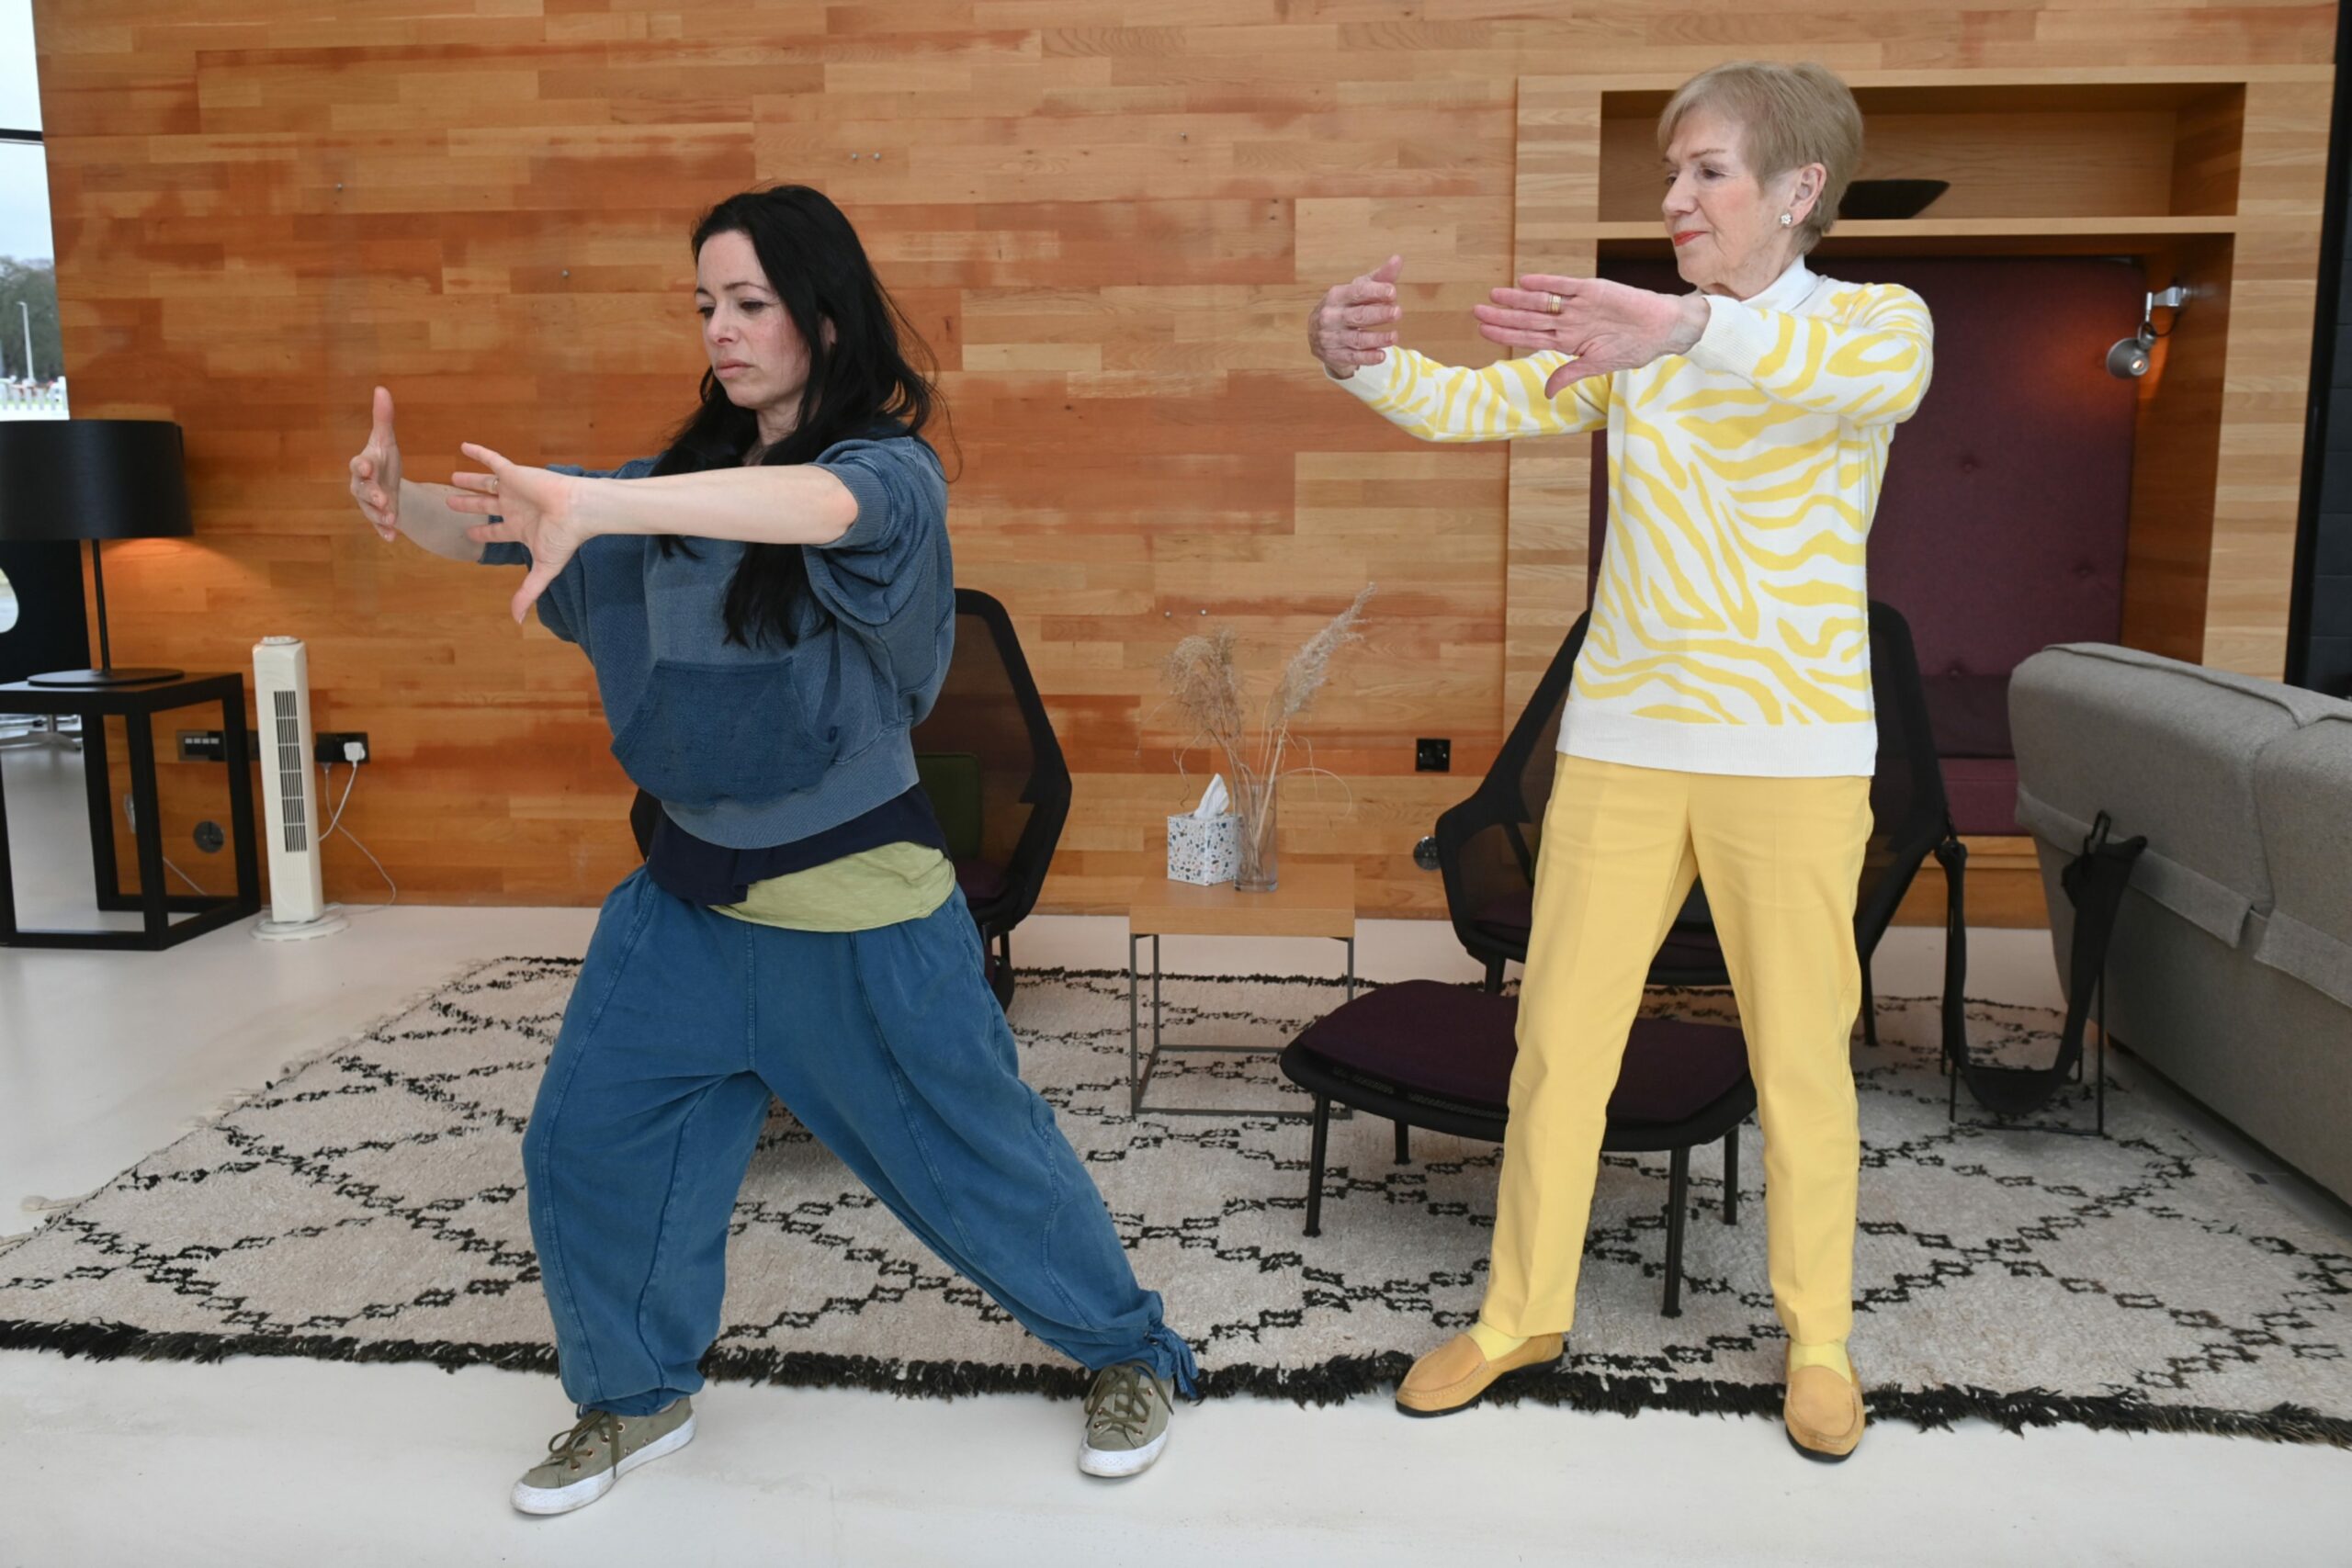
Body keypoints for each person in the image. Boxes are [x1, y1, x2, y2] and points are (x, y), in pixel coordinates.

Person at [348, 184, 1196, 1513]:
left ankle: (1129, 1351)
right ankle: (634, 1397)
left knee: (978, 1161)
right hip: (683, 903)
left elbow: (819, 511)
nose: (723, 330)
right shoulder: (662, 493)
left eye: (750, 303)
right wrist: (409, 505)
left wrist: (598, 501)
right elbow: (523, 531)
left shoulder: (887, 479)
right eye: (705, 306)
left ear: (823, 313)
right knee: (589, 1141)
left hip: (860, 914)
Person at [1306, 60, 1933, 1461]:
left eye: (1708, 171)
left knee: (1803, 1061)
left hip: (1794, 755)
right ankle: (1523, 1310)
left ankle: (1819, 1340)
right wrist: (1354, 359)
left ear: (1798, 190)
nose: (1675, 198)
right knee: (1560, 1044)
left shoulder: (1877, 325)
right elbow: (1473, 406)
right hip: (1624, 748)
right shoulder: (1640, 344)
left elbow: (1814, 371)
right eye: (1671, 173)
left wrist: (1680, 327)